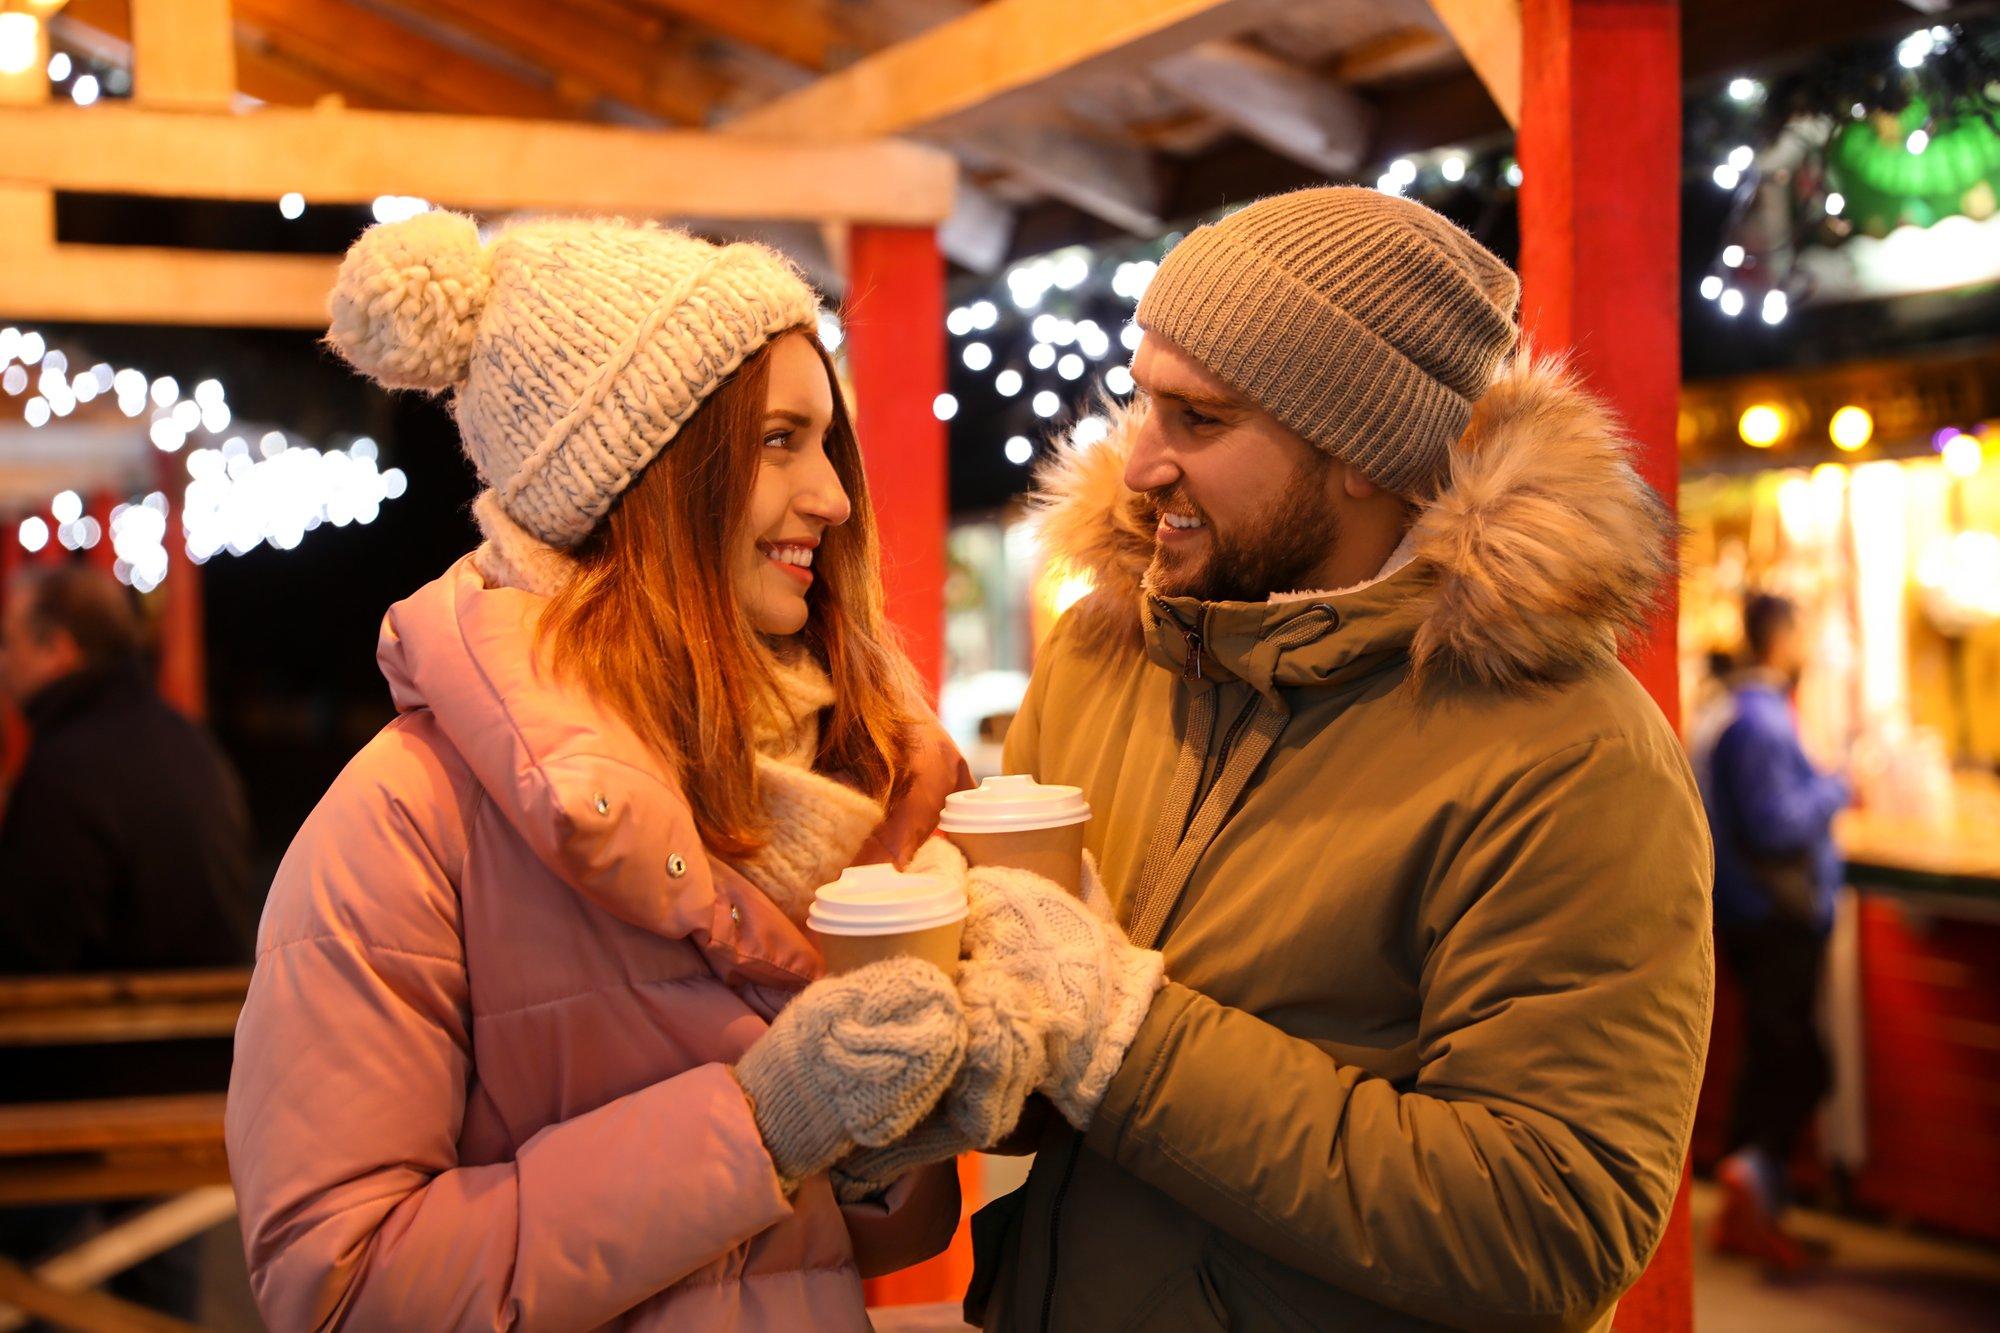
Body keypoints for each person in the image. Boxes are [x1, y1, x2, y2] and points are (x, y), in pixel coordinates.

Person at [837, 187, 1715, 1331]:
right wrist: (935, 1051)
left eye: (1198, 420)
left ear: (1358, 451)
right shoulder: (1110, 653)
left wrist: (1120, 1031)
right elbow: (1046, 1088)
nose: (1138, 461)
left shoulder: (1568, 757)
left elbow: (1548, 1219)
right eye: (1142, 401)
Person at [225, 213, 974, 1331]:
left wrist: (900, 1133)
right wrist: (753, 1128)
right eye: (779, 440)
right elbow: (334, 1288)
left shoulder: (832, 786)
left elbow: (830, 1246)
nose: (832, 496)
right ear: (644, 473)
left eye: (828, 444)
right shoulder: (401, 821)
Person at [0, 563, 255, 975]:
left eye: (9, 643)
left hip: (118, 1029)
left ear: (59, 649)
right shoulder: (188, 741)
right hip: (219, 1019)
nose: (3, 663)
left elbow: (33, 949)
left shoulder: (67, 766)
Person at [1696, 591, 1848, 1272]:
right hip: (1773, 915)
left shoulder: (1738, 711)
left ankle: (1748, 1208)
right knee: (1801, 1063)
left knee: (1771, 1057)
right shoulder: (1759, 722)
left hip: (1756, 912)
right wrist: (1840, 787)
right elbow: (1777, 823)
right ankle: (1753, 1181)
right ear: (1779, 638)